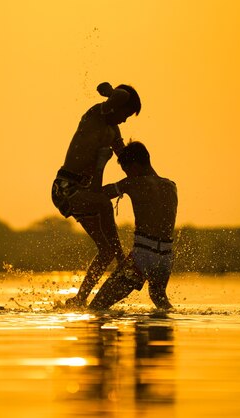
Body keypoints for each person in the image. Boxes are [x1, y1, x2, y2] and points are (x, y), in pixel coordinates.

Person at [52, 82, 141, 308]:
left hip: (85, 192)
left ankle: (79, 298)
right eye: (125, 113)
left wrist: (144, 178)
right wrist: (111, 93)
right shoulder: (96, 114)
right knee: (103, 203)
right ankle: (122, 260)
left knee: (106, 251)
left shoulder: (114, 131)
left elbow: (127, 161)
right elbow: (120, 94)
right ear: (114, 106)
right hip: (65, 187)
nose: (124, 120)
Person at [88, 141, 178, 310]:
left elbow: (97, 194)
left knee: (96, 307)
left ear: (135, 166)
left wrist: (100, 164)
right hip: (165, 257)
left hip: (142, 257)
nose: (127, 175)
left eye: (127, 171)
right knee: (160, 300)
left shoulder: (133, 183)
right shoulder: (171, 186)